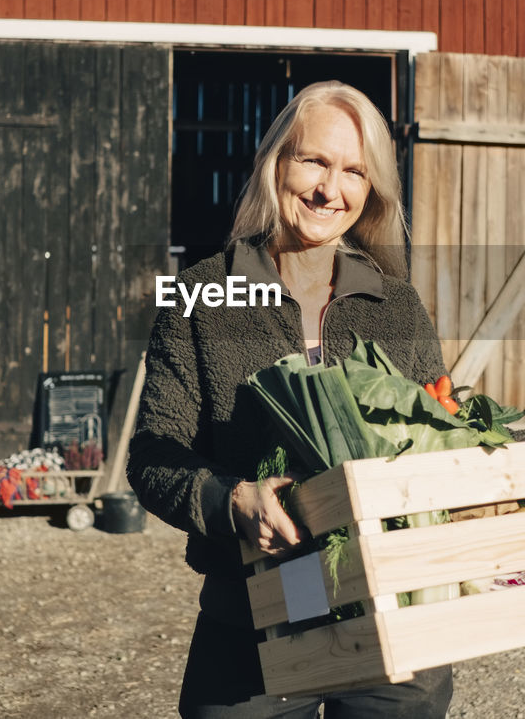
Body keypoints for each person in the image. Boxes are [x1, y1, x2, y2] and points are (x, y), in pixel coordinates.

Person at [127, 81, 453, 717]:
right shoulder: (201, 296)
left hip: (393, 617)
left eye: (355, 171)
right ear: (275, 163)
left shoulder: (395, 303)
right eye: (315, 162)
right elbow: (153, 454)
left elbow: (435, 422)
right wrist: (231, 499)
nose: (331, 190)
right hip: (251, 621)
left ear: (372, 189)